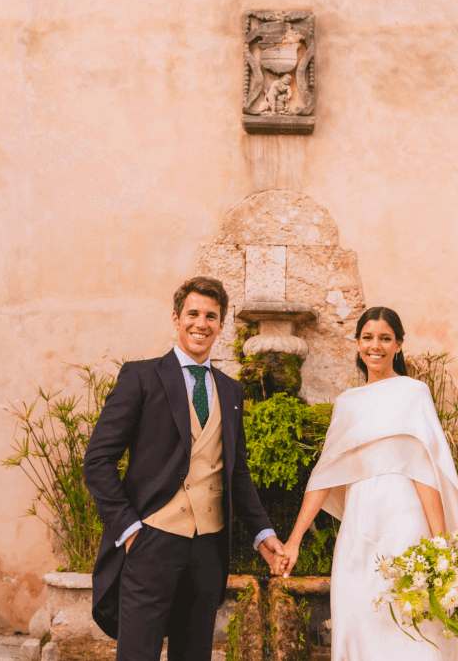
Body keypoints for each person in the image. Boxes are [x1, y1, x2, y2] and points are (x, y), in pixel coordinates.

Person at [84, 276, 288, 661]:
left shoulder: (231, 390)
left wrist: (264, 534)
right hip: (151, 540)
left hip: (209, 548)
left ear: (221, 326)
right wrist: (129, 530)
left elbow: (237, 473)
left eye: (211, 316)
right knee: (137, 655)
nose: (201, 323)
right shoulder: (141, 377)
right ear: (176, 318)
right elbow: (97, 460)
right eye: (193, 313)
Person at [280, 307, 458, 661]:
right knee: (356, 617)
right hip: (358, 525)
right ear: (358, 343)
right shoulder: (346, 404)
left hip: (404, 519)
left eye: (384, 338)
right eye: (368, 337)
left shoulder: (413, 392)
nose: (375, 346)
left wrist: (440, 544)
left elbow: (423, 469)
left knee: (408, 623)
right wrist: (294, 540)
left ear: (398, 345)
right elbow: (324, 477)